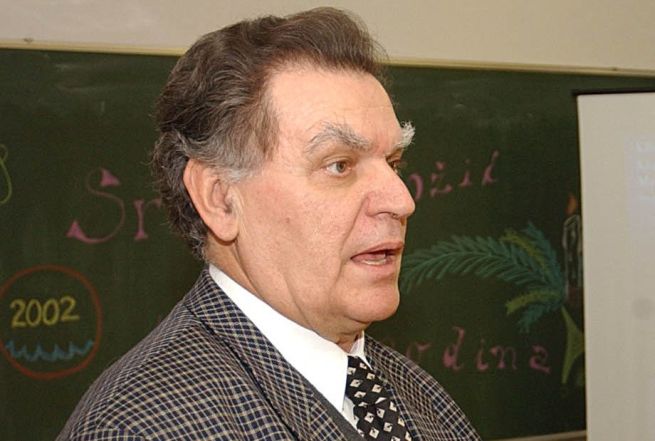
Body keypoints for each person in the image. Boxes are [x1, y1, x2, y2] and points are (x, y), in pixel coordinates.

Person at [58, 7, 480, 441]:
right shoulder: (140, 428)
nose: (402, 200)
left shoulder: (420, 395)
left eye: (393, 163)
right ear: (220, 199)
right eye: (339, 165)